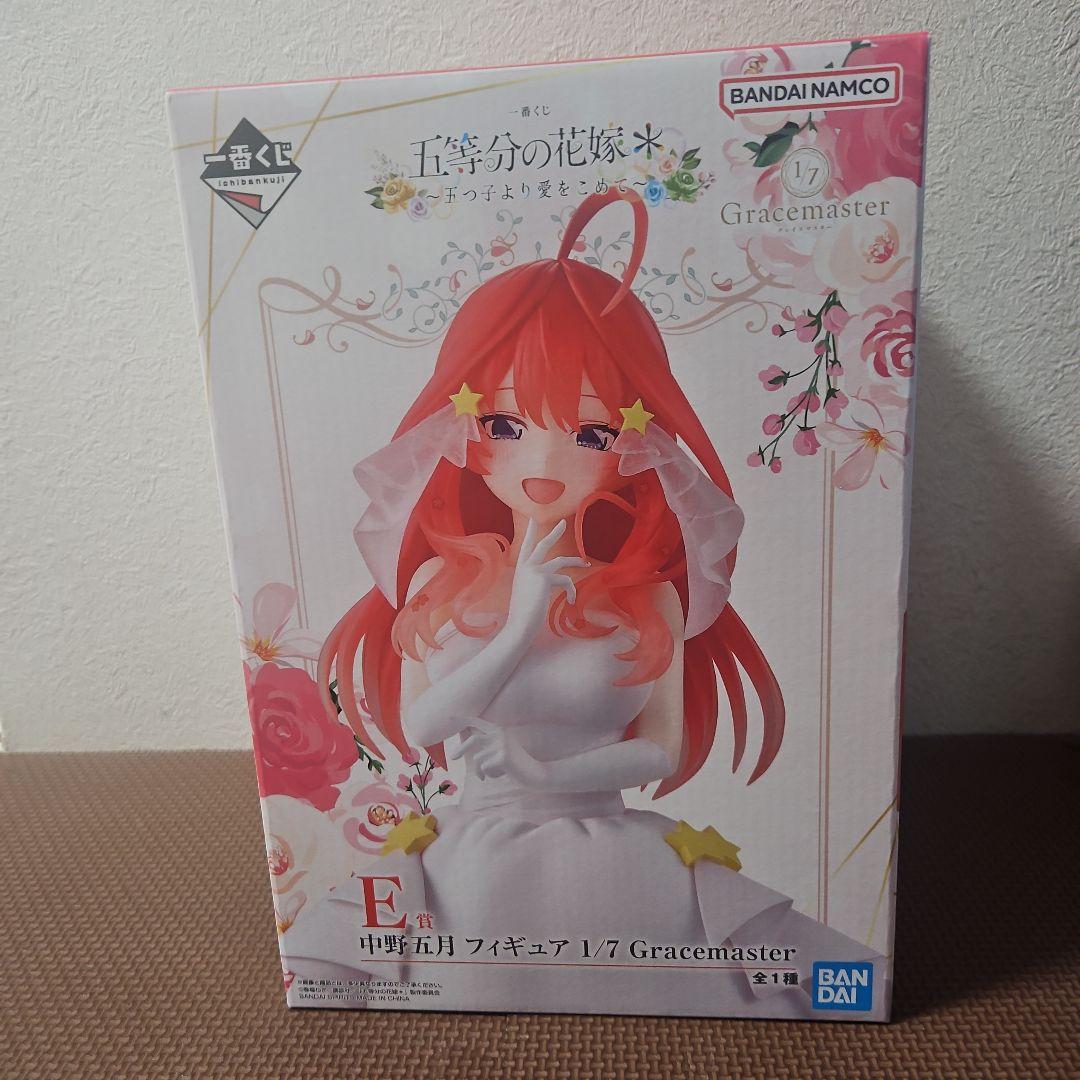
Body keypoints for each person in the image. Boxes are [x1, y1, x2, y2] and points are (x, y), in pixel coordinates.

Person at [283, 189, 885, 1018]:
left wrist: (549, 772)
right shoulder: (437, 585)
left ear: (631, 448)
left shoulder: (647, 597)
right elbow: (425, 728)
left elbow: (661, 748)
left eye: (591, 434)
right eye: (503, 425)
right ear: (462, 430)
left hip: (616, 848)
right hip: (472, 855)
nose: (542, 460)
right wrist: (520, 623)